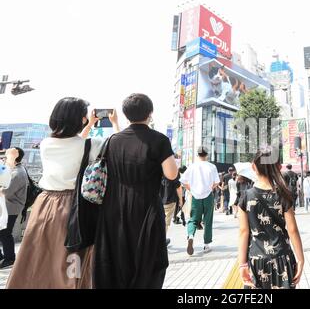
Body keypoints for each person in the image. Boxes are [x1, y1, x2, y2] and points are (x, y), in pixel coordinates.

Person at [7, 97, 119, 288]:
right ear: (80, 119)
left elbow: (73, 144)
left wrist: (89, 123)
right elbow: (117, 145)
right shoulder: (92, 145)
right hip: (72, 205)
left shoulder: (45, 144)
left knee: (39, 256)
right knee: (69, 259)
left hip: (44, 204)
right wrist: (115, 123)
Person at [93, 93, 178, 289]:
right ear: (150, 113)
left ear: (125, 114)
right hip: (146, 206)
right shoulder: (159, 140)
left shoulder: (113, 140)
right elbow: (172, 174)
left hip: (114, 208)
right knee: (149, 259)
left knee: (118, 257)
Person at [238, 146, 304, 289]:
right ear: (279, 167)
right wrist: (300, 259)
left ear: (253, 167)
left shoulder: (245, 196)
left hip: (256, 260)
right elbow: (292, 230)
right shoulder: (284, 194)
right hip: (283, 259)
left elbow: (244, 232)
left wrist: (242, 264)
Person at [180, 146, 220, 256]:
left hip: (195, 196)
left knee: (193, 219)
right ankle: (206, 245)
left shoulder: (192, 166)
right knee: (208, 219)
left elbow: (182, 181)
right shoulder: (212, 166)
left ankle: (191, 236)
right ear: (207, 155)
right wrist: (210, 187)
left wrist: (191, 189)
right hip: (208, 196)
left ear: (197, 155)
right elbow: (217, 182)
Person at [0, 147, 28, 269]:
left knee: (5, 233)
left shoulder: (18, 173)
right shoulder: (14, 170)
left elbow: (6, 191)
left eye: (7, 155)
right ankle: (4, 257)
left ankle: (9, 258)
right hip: (7, 206)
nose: (5, 156)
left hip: (11, 208)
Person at [160, 171, 183, 246]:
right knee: (165, 222)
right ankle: (161, 241)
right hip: (169, 200)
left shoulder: (154, 167)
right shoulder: (173, 169)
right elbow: (178, 187)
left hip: (156, 200)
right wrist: (181, 200)